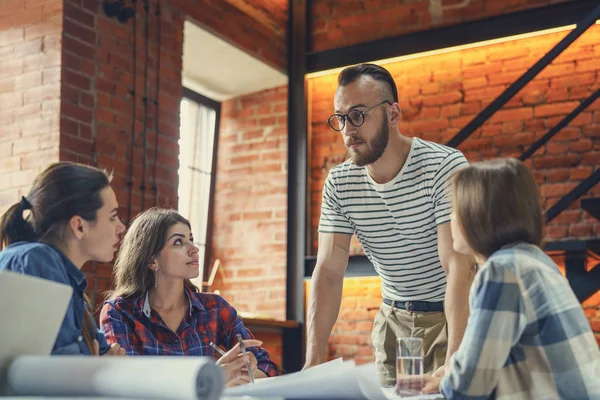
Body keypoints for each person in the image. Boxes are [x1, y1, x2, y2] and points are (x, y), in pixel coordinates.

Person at [304, 63, 475, 385]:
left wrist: (456, 354)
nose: (348, 129)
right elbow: (328, 270)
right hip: (396, 322)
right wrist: (313, 360)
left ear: (393, 114)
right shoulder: (340, 183)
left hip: (451, 318)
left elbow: (458, 264)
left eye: (357, 115)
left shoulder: (444, 166)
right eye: (340, 118)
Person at [421, 158, 600, 399]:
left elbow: (468, 389)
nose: (449, 219)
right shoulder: (534, 260)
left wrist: (448, 381)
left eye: (454, 209)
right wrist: (450, 377)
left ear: (477, 215)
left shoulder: (503, 271)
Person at [100, 208, 280, 387]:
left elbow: (267, 367)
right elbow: (127, 385)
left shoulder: (214, 308)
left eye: (191, 239)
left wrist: (237, 374)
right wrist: (211, 379)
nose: (194, 249)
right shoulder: (119, 313)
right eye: (178, 242)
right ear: (152, 260)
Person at [0, 162, 126, 356]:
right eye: (112, 217)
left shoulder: (71, 287)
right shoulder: (37, 262)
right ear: (79, 226)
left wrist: (96, 363)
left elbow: (106, 357)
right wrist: (95, 364)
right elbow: (57, 376)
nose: (121, 227)